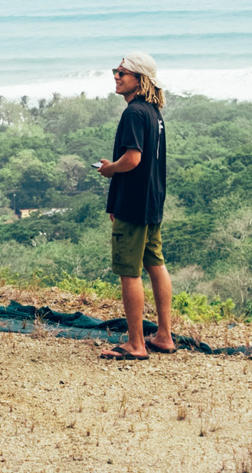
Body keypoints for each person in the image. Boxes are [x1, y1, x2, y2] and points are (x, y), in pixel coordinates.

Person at [97, 52, 176, 361]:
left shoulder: (133, 113)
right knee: (155, 263)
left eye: (122, 72)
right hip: (152, 201)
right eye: (116, 71)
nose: (116, 76)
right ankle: (164, 336)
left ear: (139, 79)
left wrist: (109, 169)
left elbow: (132, 160)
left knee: (129, 271)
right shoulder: (153, 112)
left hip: (132, 203)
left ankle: (135, 344)